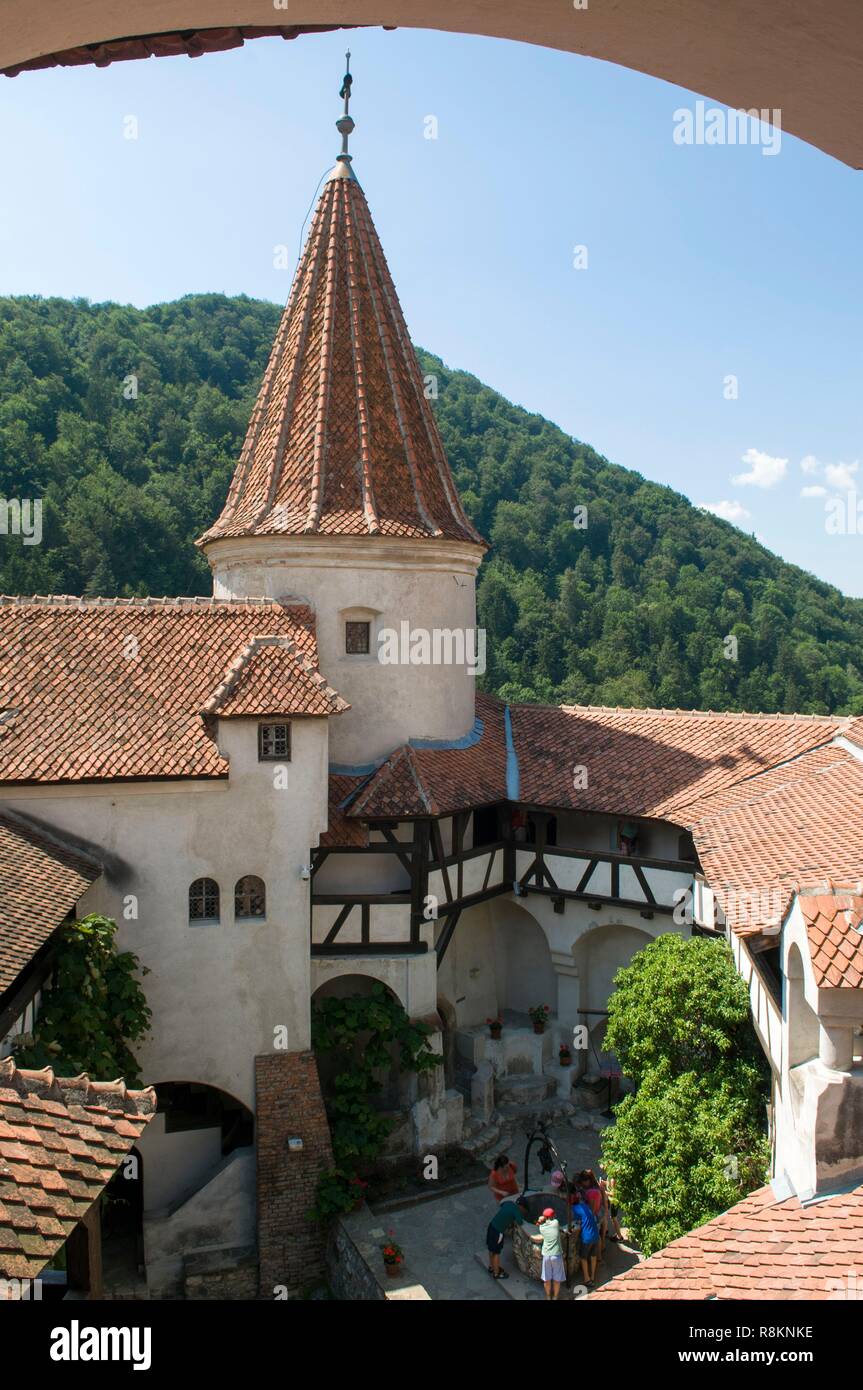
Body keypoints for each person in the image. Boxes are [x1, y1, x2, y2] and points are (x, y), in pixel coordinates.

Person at [486, 1196, 528, 1279]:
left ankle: (491, 1266)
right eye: (523, 1209)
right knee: (496, 1252)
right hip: (498, 1232)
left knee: (491, 1249)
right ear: (521, 1206)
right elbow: (520, 1221)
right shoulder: (516, 1211)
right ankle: (497, 1273)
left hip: (491, 1226)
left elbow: (502, 1205)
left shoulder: (509, 1203)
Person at [529, 1207, 565, 1300]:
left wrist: (541, 1219)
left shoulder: (542, 1227)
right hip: (556, 1255)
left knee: (547, 1279)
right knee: (557, 1280)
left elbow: (539, 1222)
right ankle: (555, 1297)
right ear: (553, 1216)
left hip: (546, 1255)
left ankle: (548, 1297)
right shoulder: (556, 1223)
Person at [570, 1187, 600, 1288]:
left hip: (587, 1237)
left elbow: (572, 1217)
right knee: (593, 1256)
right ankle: (592, 1277)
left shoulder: (576, 1208)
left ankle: (586, 1279)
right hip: (596, 1235)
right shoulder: (587, 1207)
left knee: (583, 1257)